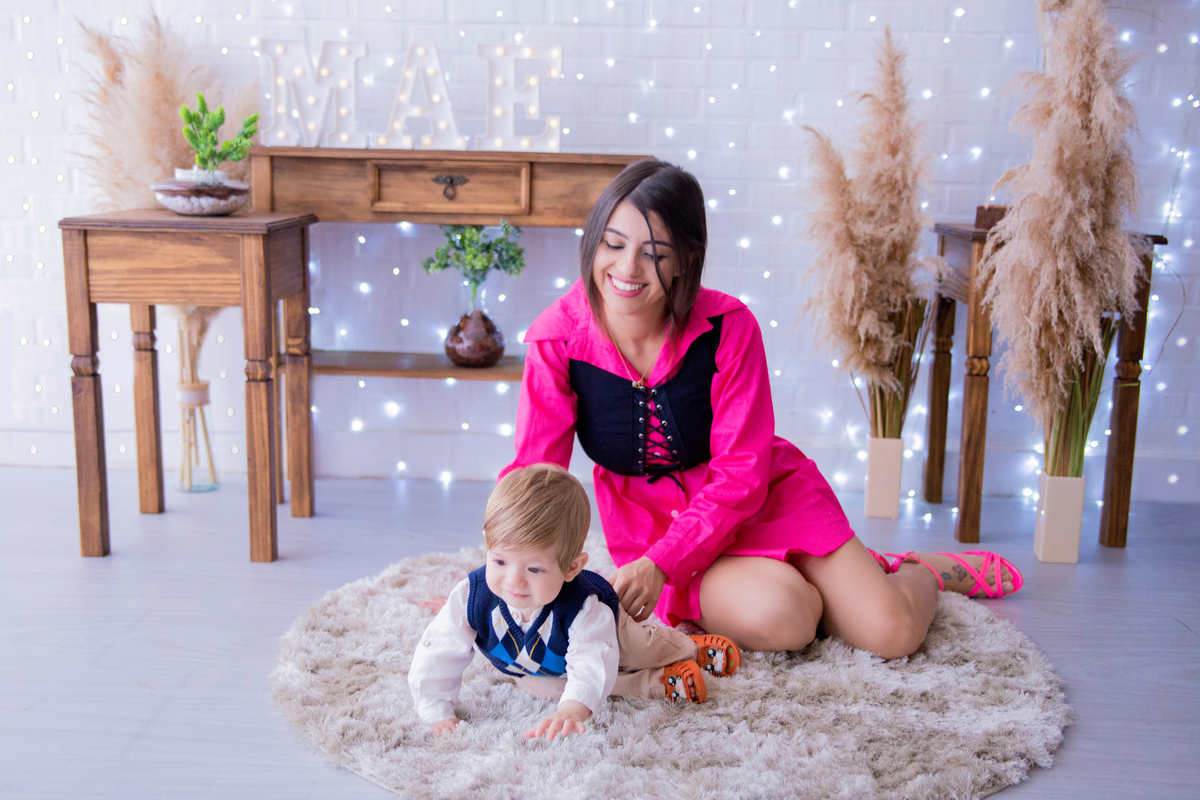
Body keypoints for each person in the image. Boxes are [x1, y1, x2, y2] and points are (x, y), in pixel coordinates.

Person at [501, 159, 1023, 661]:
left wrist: (661, 566)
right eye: (613, 244)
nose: (627, 268)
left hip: (763, 498)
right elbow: (535, 478)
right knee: (788, 617)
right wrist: (495, 586)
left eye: (654, 253)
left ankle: (920, 571)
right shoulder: (556, 339)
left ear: (685, 258)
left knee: (894, 632)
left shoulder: (730, 326)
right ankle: (844, 579)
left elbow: (742, 474)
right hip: (654, 531)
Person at [408, 463, 742, 740]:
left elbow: (591, 659)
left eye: (534, 568)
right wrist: (435, 707)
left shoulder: (584, 607)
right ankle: (658, 682)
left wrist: (574, 710)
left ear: (572, 567)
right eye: (499, 562)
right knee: (552, 689)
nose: (513, 581)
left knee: (637, 650)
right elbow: (438, 651)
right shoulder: (472, 596)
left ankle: (688, 649)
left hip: (611, 634)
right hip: (537, 665)